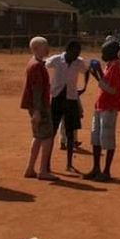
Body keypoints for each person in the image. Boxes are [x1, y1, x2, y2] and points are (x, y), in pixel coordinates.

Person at [46, 41, 88, 172]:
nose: (77, 55)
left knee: (70, 133)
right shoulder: (57, 59)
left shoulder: (79, 62)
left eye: (78, 53)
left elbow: (87, 71)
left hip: (71, 99)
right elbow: (44, 64)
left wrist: (84, 87)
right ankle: (46, 163)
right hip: (57, 98)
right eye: (75, 52)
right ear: (68, 50)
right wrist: (49, 86)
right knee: (51, 132)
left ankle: (69, 164)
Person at [21, 36, 58, 181]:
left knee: (37, 136)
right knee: (47, 136)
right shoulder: (36, 65)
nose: (47, 48)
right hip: (40, 106)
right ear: (36, 48)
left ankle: (30, 168)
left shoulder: (35, 62)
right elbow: (37, 89)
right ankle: (43, 170)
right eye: (44, 46)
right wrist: (37, 111)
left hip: (36, 105)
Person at [85, 39, 120, 182]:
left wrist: (98, 74)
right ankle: (96, 168)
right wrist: (98, 72)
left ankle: (106, 171)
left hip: (109, 107)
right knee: (96, 139)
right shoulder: (109, 65)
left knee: (107, 139)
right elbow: (104, 83)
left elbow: (112, 89)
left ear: (113, 52)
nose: (102, 54)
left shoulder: (116, 66)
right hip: (100, 105)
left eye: (104, 52)